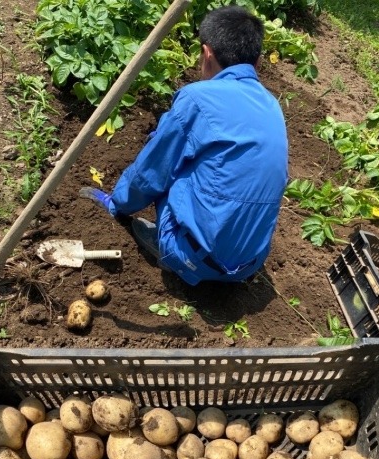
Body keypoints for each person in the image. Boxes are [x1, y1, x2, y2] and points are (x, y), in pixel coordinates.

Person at [81, 5, 289, 286]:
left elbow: (152, 170)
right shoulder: (272, 106)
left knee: (171, 161)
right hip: (247, 265)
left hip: (196, 261)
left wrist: (118, 204)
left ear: (206, 54)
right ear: (258, 62)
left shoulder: (198, 99)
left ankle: (170, 249)